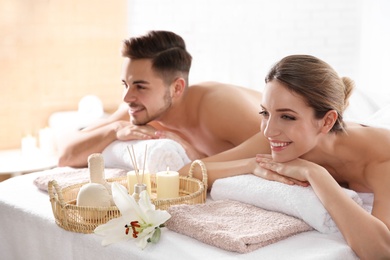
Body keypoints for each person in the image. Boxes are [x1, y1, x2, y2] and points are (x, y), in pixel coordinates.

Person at [182, 55, 390, 259]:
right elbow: (186, 174)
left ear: (327, 122)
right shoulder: (281, 140)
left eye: (287, 117)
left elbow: (381, 251)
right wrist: (251, 164)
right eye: (265, 113)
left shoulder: (383, 161)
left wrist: (316, 175)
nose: (269, 131)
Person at [57, 30, 264, 168]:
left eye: (140, 86)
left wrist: (195, 157)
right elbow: (65, 155)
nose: (127, 97)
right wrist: (114, 130)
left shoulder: (219, 105)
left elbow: (283, 147)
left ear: (176, 88)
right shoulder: (141, 112)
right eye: (125, 84)